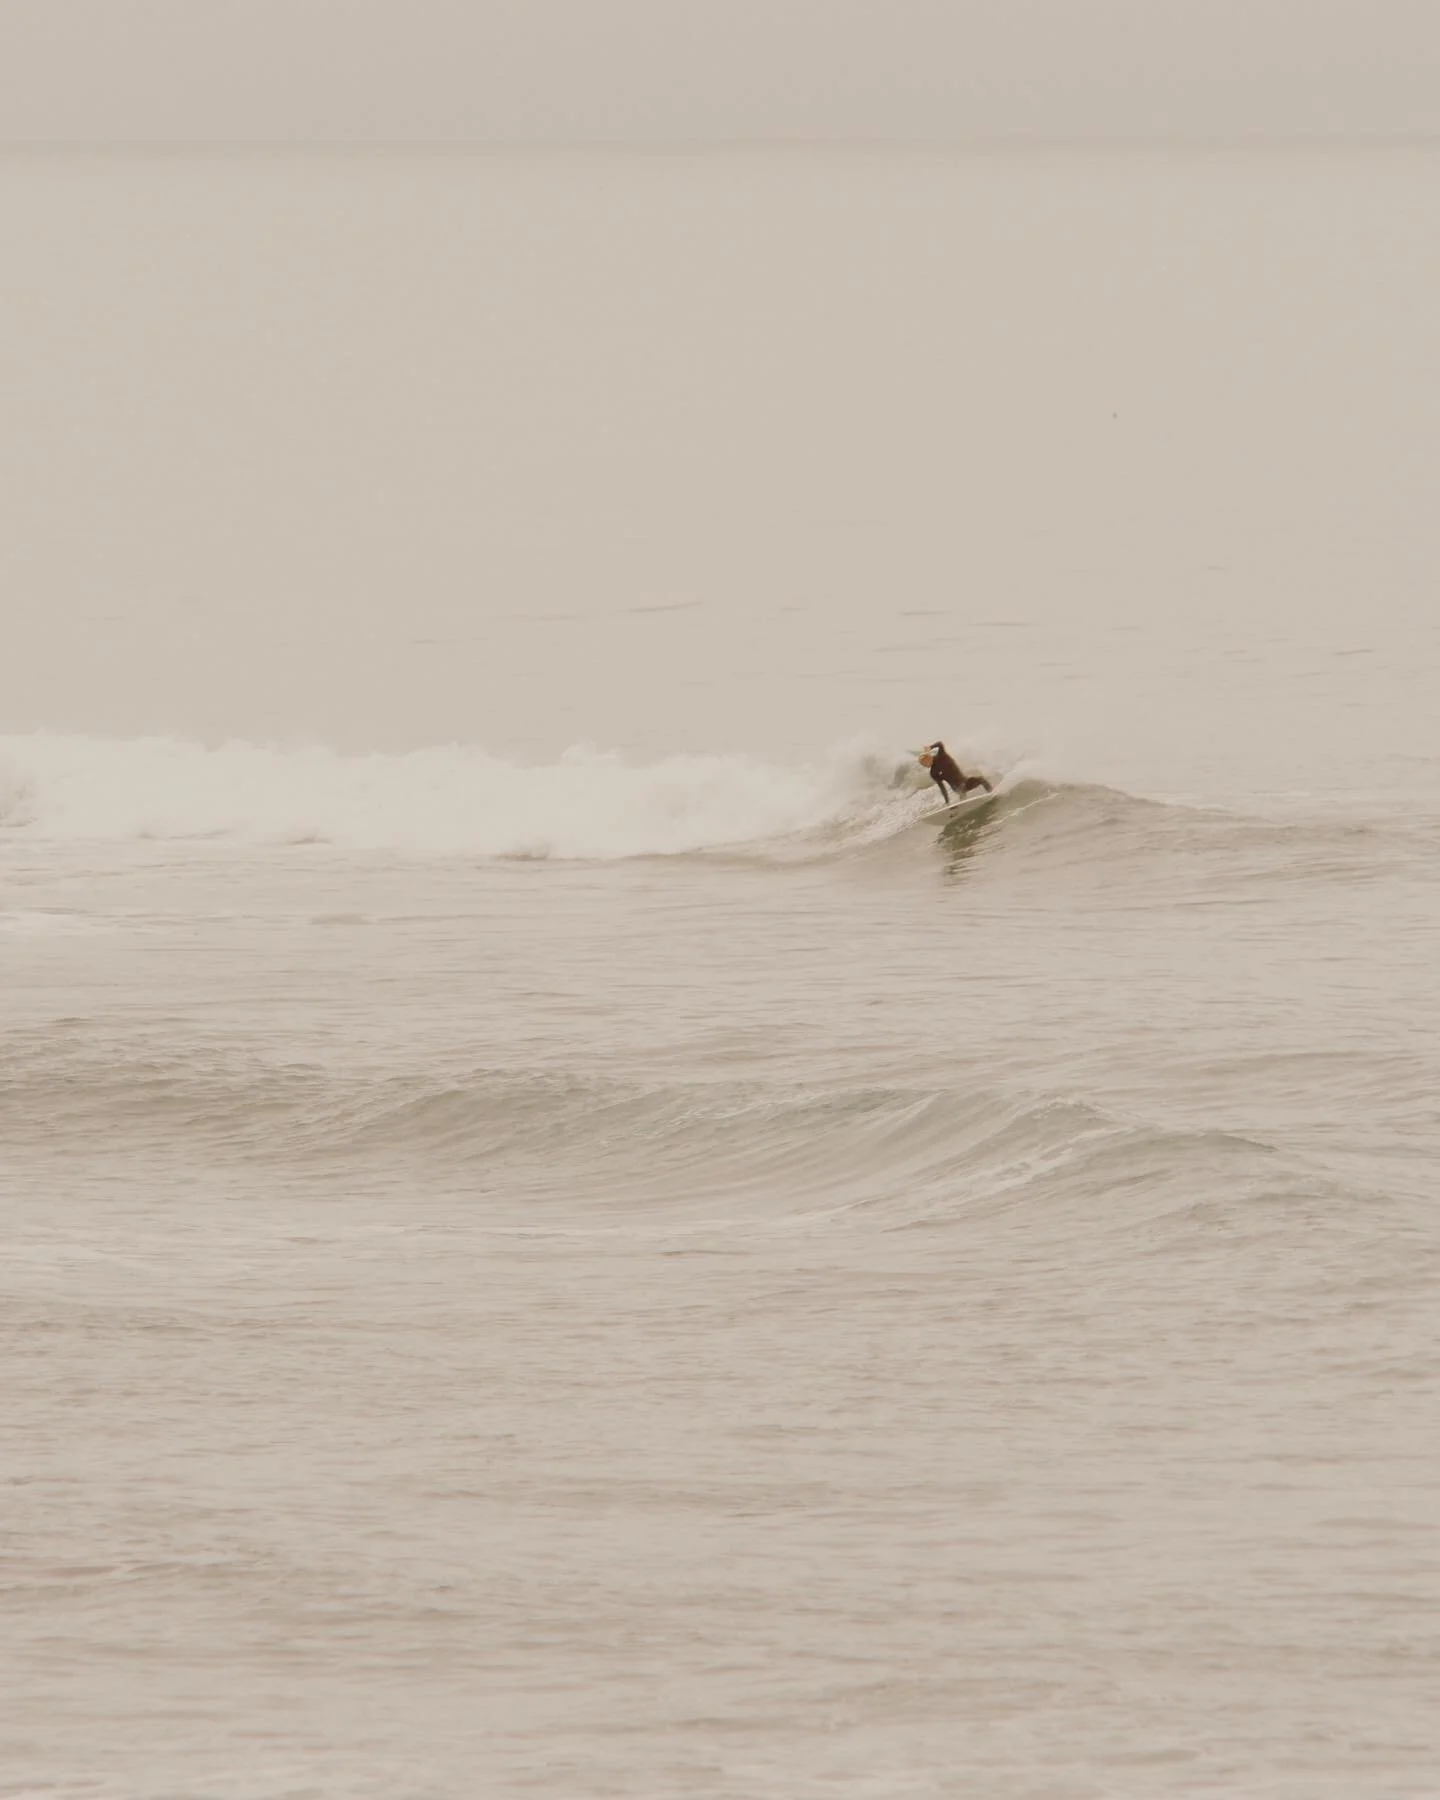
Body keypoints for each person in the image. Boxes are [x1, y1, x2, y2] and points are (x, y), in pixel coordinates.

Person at [921, 741, 992, 806]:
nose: (924, 765)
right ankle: (962, 804)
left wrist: (930, 747)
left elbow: (940, 744)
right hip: (956, 787)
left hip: (965, 781)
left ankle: (991, 793)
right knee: (962, 789)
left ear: (928, 758)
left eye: (924, 763)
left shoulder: (942, 755)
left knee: (981, 779)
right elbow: (942, 787)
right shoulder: (933, 773)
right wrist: (947, 802)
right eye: (922, 764)